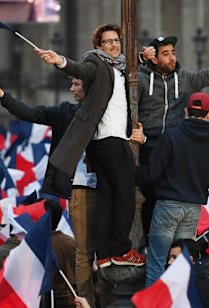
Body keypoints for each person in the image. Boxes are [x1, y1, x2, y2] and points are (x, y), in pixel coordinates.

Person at [0, 74, 107, 308]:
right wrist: (1, 94)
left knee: (104, 251)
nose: (71, 88)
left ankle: (100, 305)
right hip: (74, 189)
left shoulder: (109, 113)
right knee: (83, 252)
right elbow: (32, 113)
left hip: (105, 188)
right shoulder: (64, 112)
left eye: (76, 84)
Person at [36, 23, 146, 269]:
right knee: (126, 194)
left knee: (107, 195)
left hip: (101, 144)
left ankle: (105, 253)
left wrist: (141, 56)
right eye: (108, 42)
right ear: (98, 46)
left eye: (117, 40)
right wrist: (61, 61)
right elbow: (81, 68)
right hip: (112, 139)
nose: (114, 45)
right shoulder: (96, 62)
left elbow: (127, 64)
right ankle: (121, 249)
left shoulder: (116, 66)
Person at [137, 18, 209, 239]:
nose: (172, 57)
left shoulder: (185, 79)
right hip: (147, 145)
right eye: (165, 53)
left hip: (173, 146)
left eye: (173, 52)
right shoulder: (140, 79)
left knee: (165, 199)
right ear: (154, 58)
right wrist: (139, 59)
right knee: (147, 194)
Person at [138, 92, 209, 288]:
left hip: (167, 205)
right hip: (193, 208)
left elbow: (152, 172)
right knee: (184, 262)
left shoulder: (171, 135)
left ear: (186, 111)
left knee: (157, 261)